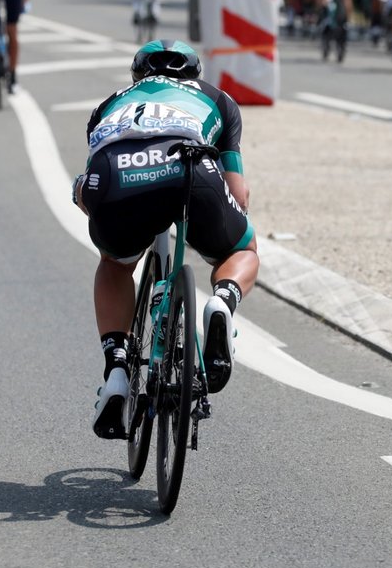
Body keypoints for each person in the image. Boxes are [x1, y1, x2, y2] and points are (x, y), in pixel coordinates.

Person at [73, 39, 259, 439]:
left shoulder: (109, 103)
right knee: (242, 248)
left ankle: (118, 369)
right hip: (189, 166)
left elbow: (87, 188)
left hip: (116, 173)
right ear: (193, 75)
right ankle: (222, 305)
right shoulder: (218, 99)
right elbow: (238, 191)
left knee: (114, 262)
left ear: (138, 77)